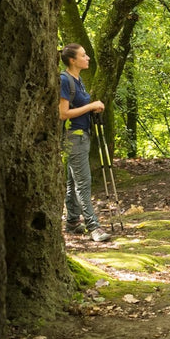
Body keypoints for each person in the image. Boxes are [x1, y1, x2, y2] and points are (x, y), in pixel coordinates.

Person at [59, 44, 111, 241]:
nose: (87, 57)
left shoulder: (78, 80)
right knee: (83, 182)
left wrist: (92, 108)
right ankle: (93, 227)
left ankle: (72, 221)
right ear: (73, 60)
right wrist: (90, 105)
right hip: (74, 136)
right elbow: (63, 114)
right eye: (83, 55)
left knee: (73, 182)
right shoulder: (65, 80)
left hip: (82, 135)